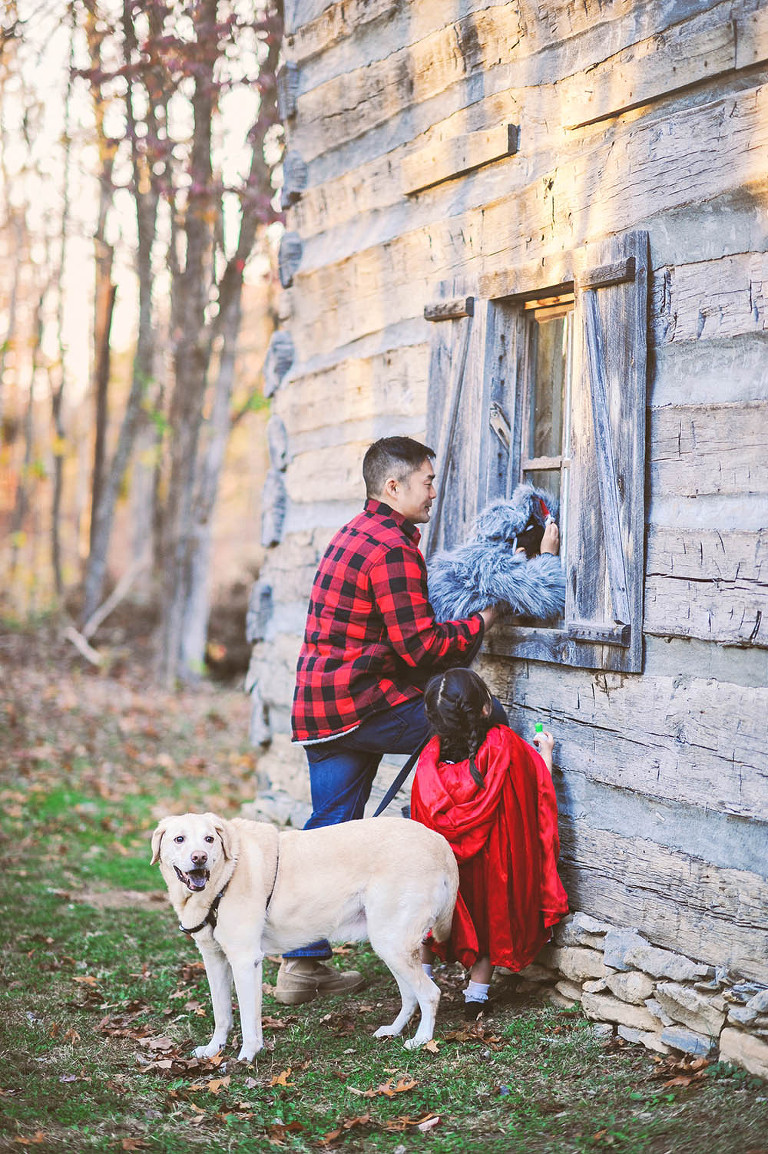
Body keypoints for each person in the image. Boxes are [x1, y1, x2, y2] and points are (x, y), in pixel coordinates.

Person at [276, 436, 507, 1005]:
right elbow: (423, 647)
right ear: (392, 487)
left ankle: (301, 969)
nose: (434, 489)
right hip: (362, 703)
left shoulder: (355, 533)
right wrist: (487, 617)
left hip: (321, 707)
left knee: (329, 827)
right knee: (484, 723)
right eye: (426, 480)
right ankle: (473, 877)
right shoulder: (392, 548)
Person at [411, 667, 569, 1019]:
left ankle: (418, 984)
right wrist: (545, 755)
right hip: (488, 862)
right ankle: (476, 997)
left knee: (430, 917)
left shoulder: (427, 764)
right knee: (485, 918)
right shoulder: (503, 745)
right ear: (485, 708)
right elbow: (536, 786)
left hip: (441, 864)